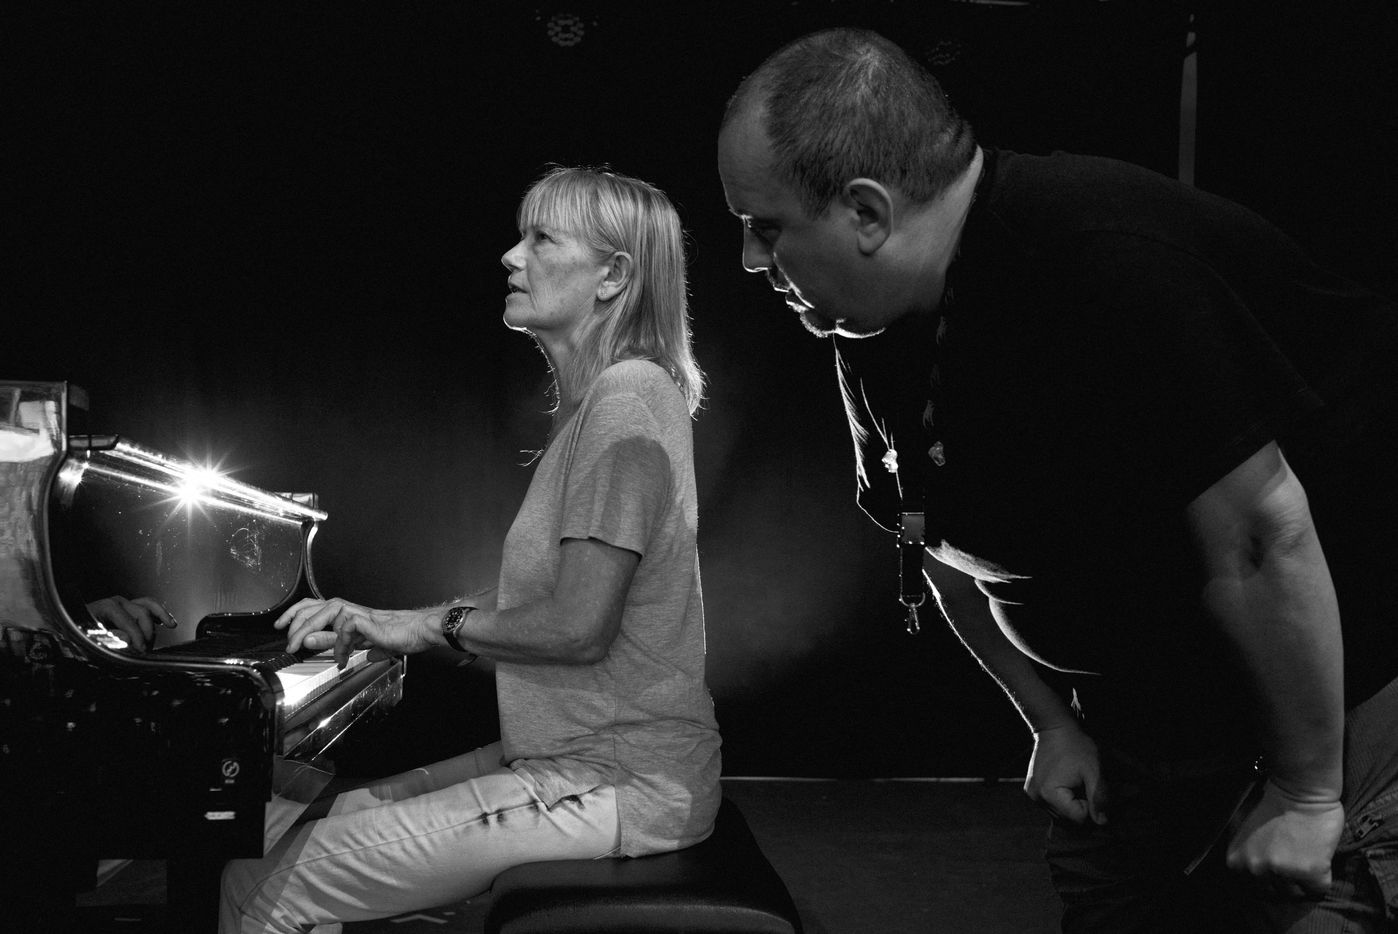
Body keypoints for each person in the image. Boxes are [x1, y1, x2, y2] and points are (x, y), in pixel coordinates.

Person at [717, 27, 1398, 934]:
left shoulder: (1106, 255)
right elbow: (936, 550)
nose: (752, 260)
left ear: (867, 214)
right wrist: (1049, 721)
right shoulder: (869, 329)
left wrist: (1308, 794)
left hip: (1345, 695)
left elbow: (1261, 536)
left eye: (765, 228)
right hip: (1153, 713)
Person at [219, 166, 721, 932]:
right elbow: (542, 600)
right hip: (569, 759)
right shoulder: (604, 403)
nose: (511, 257)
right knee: (310, 819)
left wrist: (430, 628)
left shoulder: (626, 400)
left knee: (258, 884)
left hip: (619, 779)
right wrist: (389, 621)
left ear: (613, 276)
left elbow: (577, 628)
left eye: (541, 239)